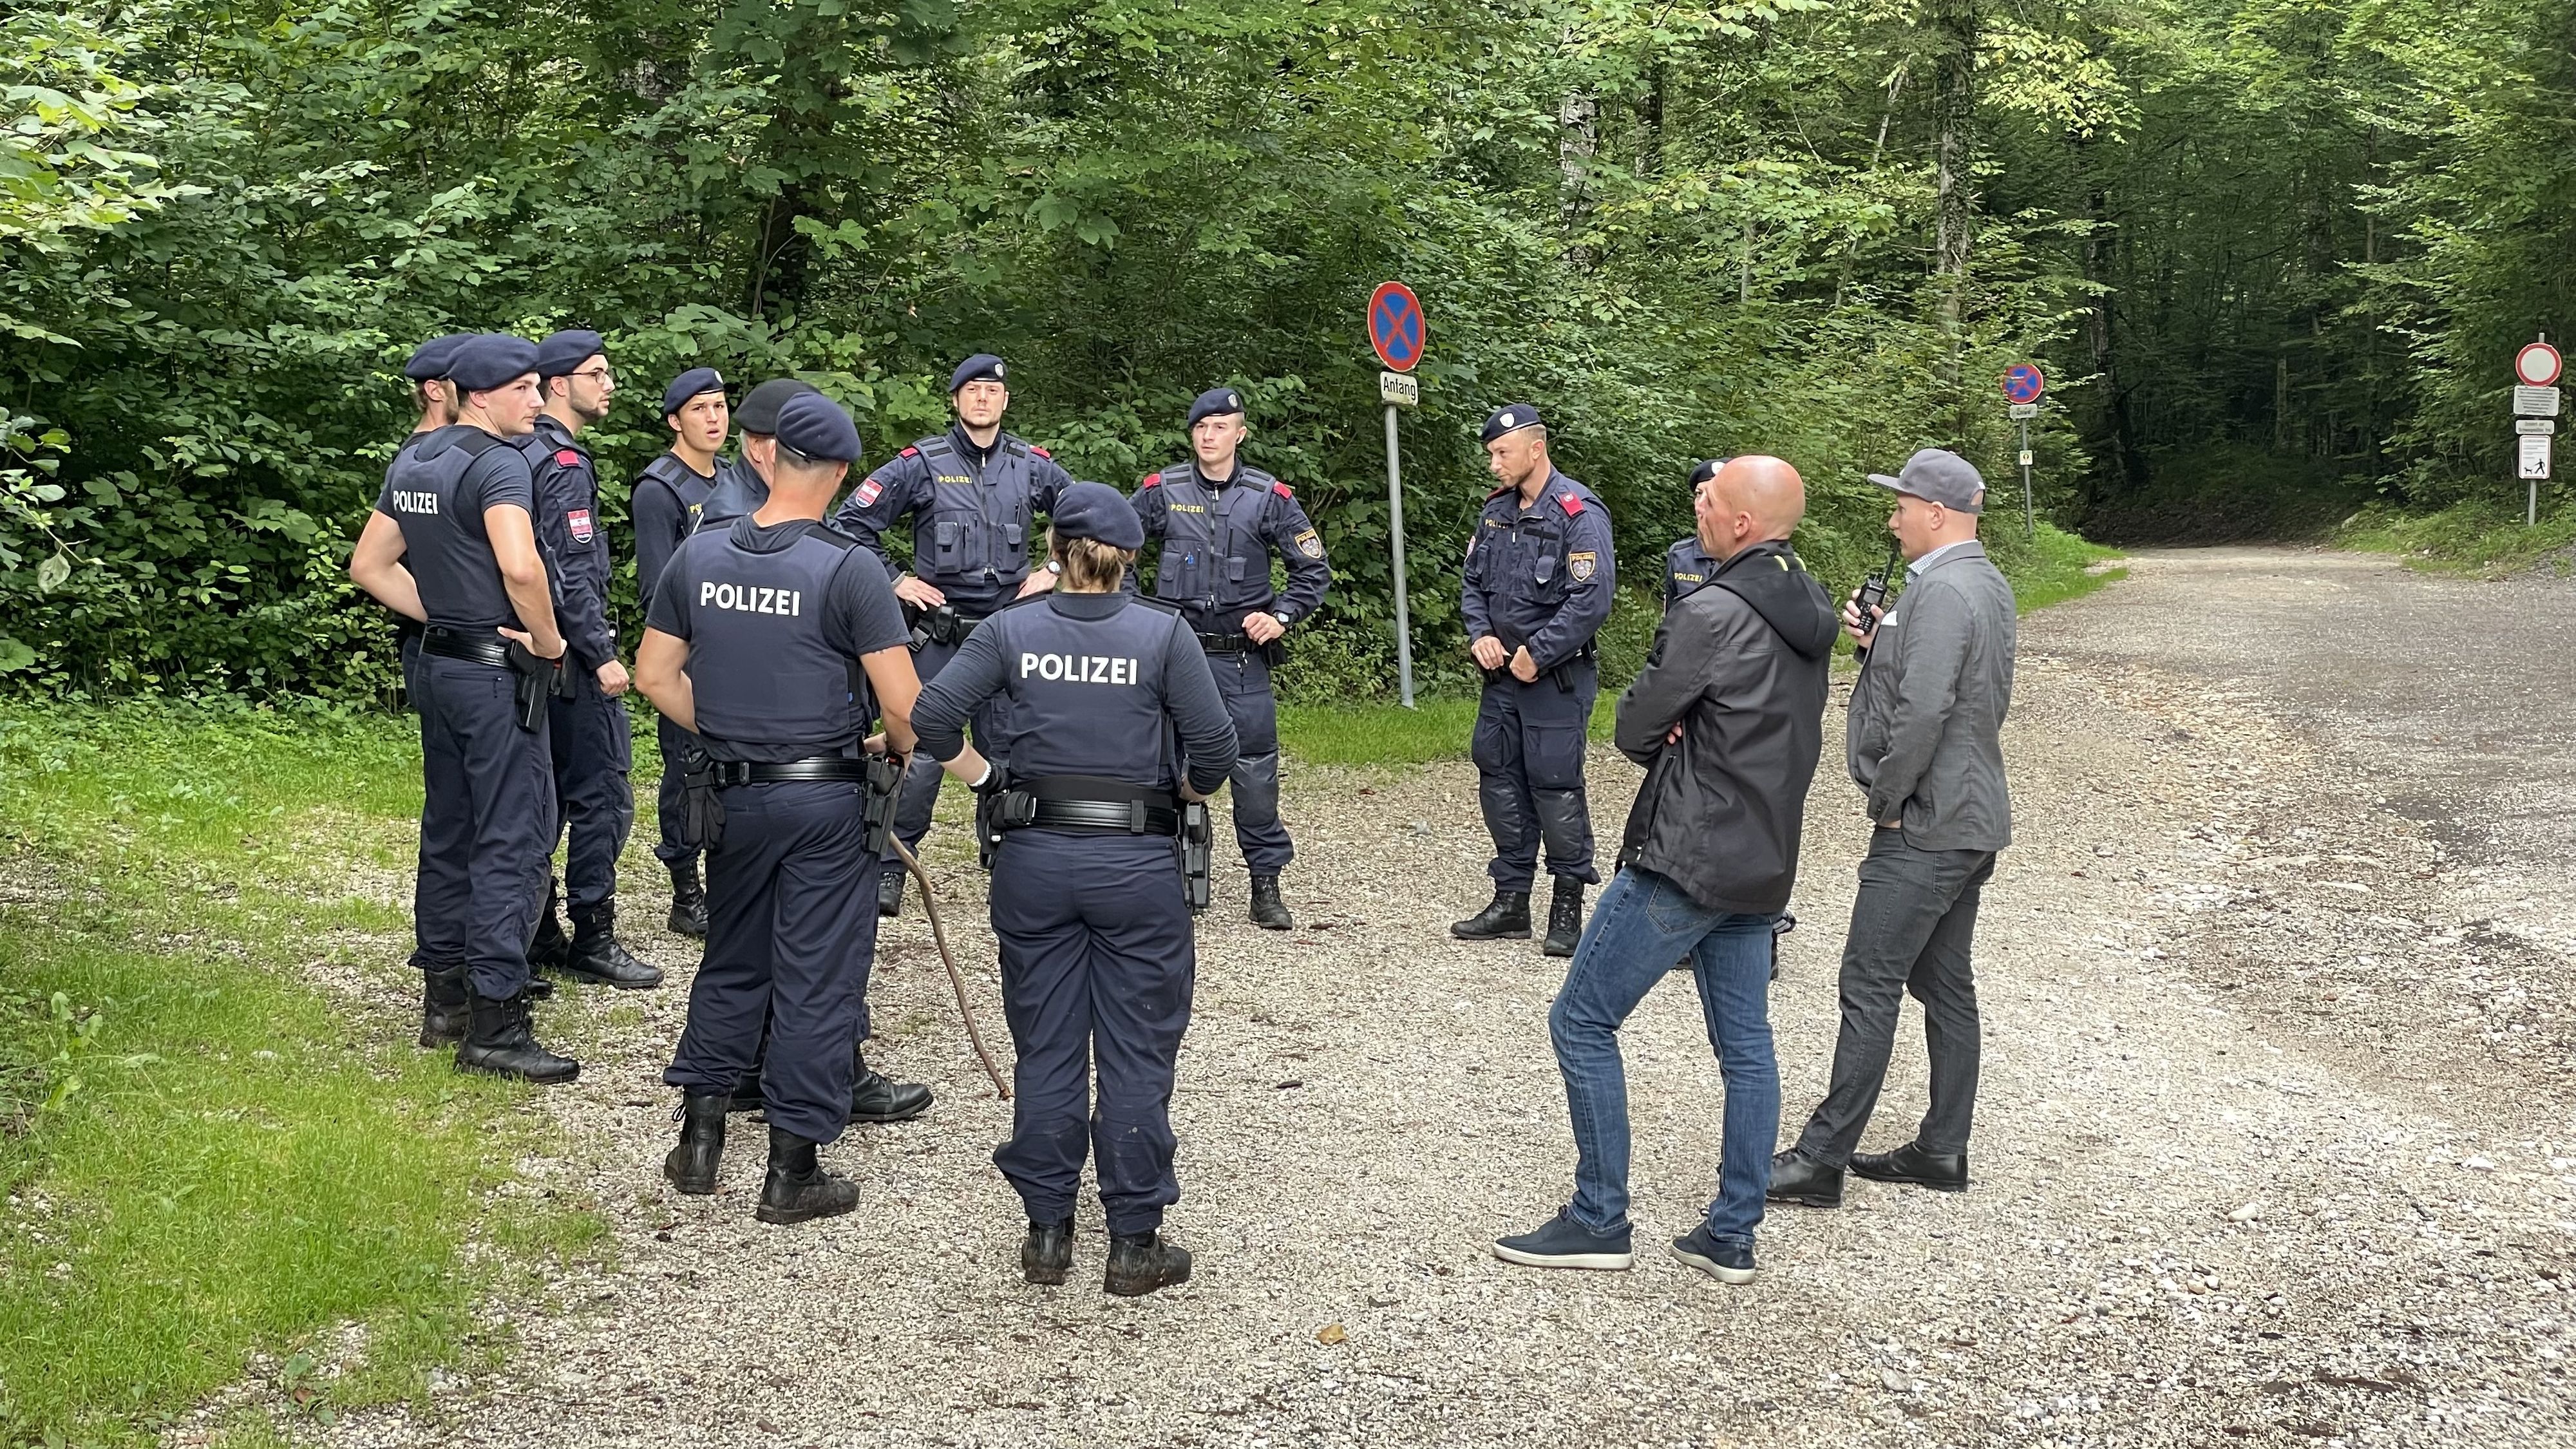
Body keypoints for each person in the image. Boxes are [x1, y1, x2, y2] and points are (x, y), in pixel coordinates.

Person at [1492, 457, 1835, 1284]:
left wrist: (1676, 729)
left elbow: (1637, 725)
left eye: (1710, 501)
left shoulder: (1710, 609)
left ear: (1744, 524)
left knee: (1579, 1020)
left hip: (1685, 854)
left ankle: (1598, 1219)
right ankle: (1731, 1234)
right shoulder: (1812, 607)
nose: (1700, 509)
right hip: (1762, 855)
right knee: (1746, 1046)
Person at [910, 482, 1238, 1296]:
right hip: (1134, 864)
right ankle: (1133, 1239)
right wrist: (1188, 794)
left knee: (1047, 1042)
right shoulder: (1164, 635)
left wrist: (987, 780)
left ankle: (1047, 1230)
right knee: (1136, 1044)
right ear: (1129, 558)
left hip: (1036, 859)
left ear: (1053, 551)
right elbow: (1216, 749)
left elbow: (932, 717)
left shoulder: (1010, 629)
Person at [635, 392, 923, 1225]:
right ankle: (793, 1168)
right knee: (816, 976)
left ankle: (699, 1139)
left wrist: (727, 730)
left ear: (768, 456)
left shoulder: (703, 549)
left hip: (732, 793)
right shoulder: (847, 567)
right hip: (825, 798)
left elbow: (655, 675)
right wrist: (893, 746)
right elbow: (902, 703)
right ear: (838, 473)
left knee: (733, 958)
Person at [1770, 448, 2016, 1209]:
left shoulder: (1942, 591)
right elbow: (1942, 681)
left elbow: (1924, 712)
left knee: (1867, 980)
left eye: (1901, 503)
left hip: (1928, 822)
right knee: (1943, 983)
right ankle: (1942, 1149)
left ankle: (1819, 1159)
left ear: (1935, 513)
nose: (1893, 515)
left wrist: (1886, 797)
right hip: (1971, 817)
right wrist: (1875, 642)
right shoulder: (1983, 581)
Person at [347, 334, 580, 1083]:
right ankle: (496, 1021)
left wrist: (441, 614)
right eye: (524, 391)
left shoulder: (416, 458)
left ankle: (443, 999)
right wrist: (546, 642)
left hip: (439, 668)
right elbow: (520, 564)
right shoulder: (499, 464)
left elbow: (370, 564)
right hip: (492, 678)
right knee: (512, 839)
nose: (539, 403)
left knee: (449, 829)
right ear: (481, 395)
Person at [830, 354, 1074, 918]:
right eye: (972, 390)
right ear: (957, 400)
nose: (983, 399)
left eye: (992, 390)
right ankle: (892, 867)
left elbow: (1089, 517)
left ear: (1005, 401)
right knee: (916, 749)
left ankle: (1010, 860)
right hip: (938, 636)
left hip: (1008, 635)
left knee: (1011, 748)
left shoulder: (1032, 465)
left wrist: (1054, 572)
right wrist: (896, 580)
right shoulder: (921, 463)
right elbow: (849, 525)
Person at [1130, 386, 1331, 929]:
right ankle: (1161, 874)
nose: (1210, 436)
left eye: (1221, 427)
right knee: (1158, 764)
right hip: (1172, 653)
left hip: (1239, 660)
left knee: (1254, 769)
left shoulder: (1269, 497)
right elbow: (1114, 547)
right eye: (1202, 427)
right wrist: (1133, 614)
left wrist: (1282, 616)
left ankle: (1266, 885)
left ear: (1240, 434)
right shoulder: (1161, 491)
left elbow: (1314, 569)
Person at [515, 330, 663, 991]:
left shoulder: (517, 449)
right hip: (570, 660)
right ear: (557, 384)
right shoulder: (561, 462)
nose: (609, 384)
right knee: (602, 794)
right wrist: (600, 653)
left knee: (540, 796)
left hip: (530, 658)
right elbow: (568, 572)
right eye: (597, 373)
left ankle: (537, 926)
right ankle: (592, 933)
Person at [1452, 404, 1616, 958]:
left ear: (1535, 449)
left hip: (1555, 680)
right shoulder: (1496, 513)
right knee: (1499, 779)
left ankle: (1567, 904)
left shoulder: (1577, 513)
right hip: (1500, 679)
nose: (1494, 464)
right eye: (1491, 454)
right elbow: (1473, 584)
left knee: (1555, 786)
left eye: (1502, 453)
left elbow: (1591, 599)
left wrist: (1537, 655)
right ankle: (1510, 901)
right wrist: (1480, 635)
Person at [632, 366, 730, 937]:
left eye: (719, 407)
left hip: (738, 646)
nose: (713, 419)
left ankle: (728, 875)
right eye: (700, 409)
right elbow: (655, 586)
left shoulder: (737, 480)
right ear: (675, 420)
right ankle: (685, 888)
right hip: (687, 648)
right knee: (688, 767)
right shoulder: (660, 488)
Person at [694, 377, 824, 532]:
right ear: (756, 447)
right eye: (798, 449)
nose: (812, 461)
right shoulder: (733, 524)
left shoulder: (785, 496)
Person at [1663, 459, 1728, 609]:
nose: (1701, 505)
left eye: (1714, 494)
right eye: (1699, 493)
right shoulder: (1680, 554)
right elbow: (1671, 617)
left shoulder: (1755, 556)